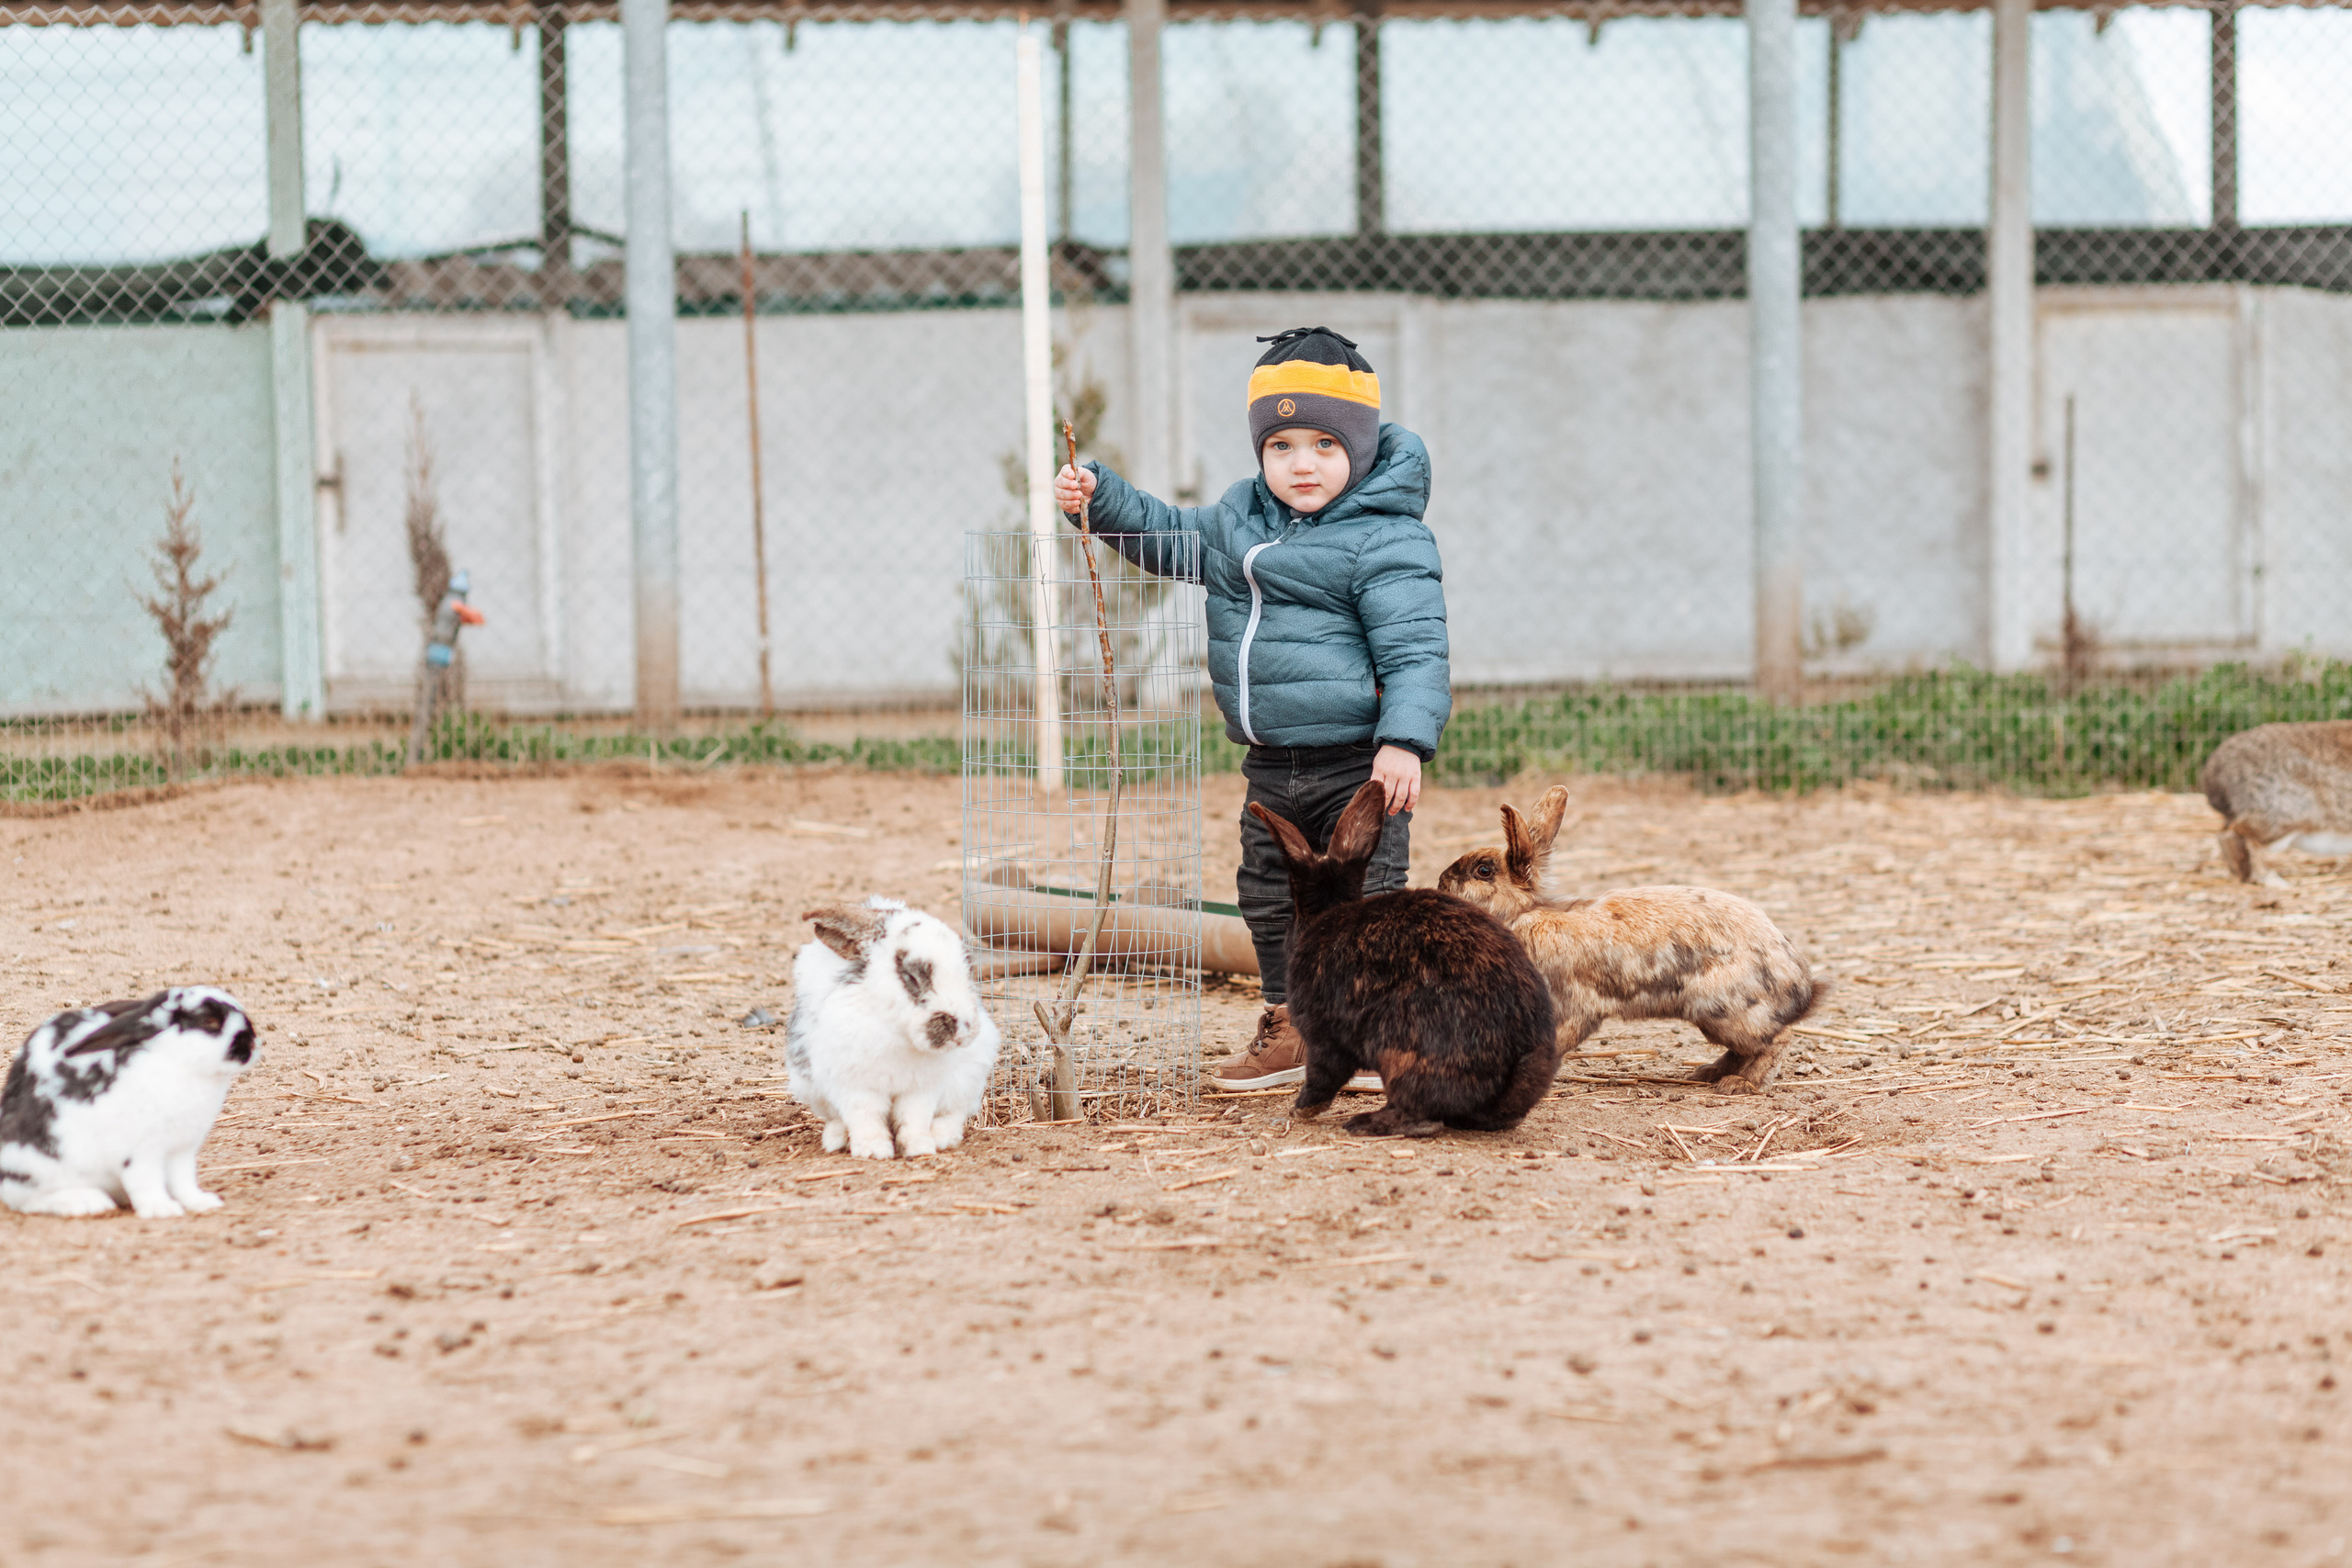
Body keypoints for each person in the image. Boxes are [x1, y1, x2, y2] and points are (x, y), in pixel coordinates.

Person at [1051, 326, 1451, 1089]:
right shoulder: (1239, 521)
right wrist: (1097, 497)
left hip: (1357, 765)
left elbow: (1415, 650)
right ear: (1261, 452)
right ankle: (1293, 1022)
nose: (1302, 463)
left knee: (1367, 899)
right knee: (1268, 895)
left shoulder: (1386, 539)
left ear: (1359, 450)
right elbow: (1165, 533)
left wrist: (1403, 740)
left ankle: (1374, 1036)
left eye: (1325, 445)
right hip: (1271, 765)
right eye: (1283, 445)